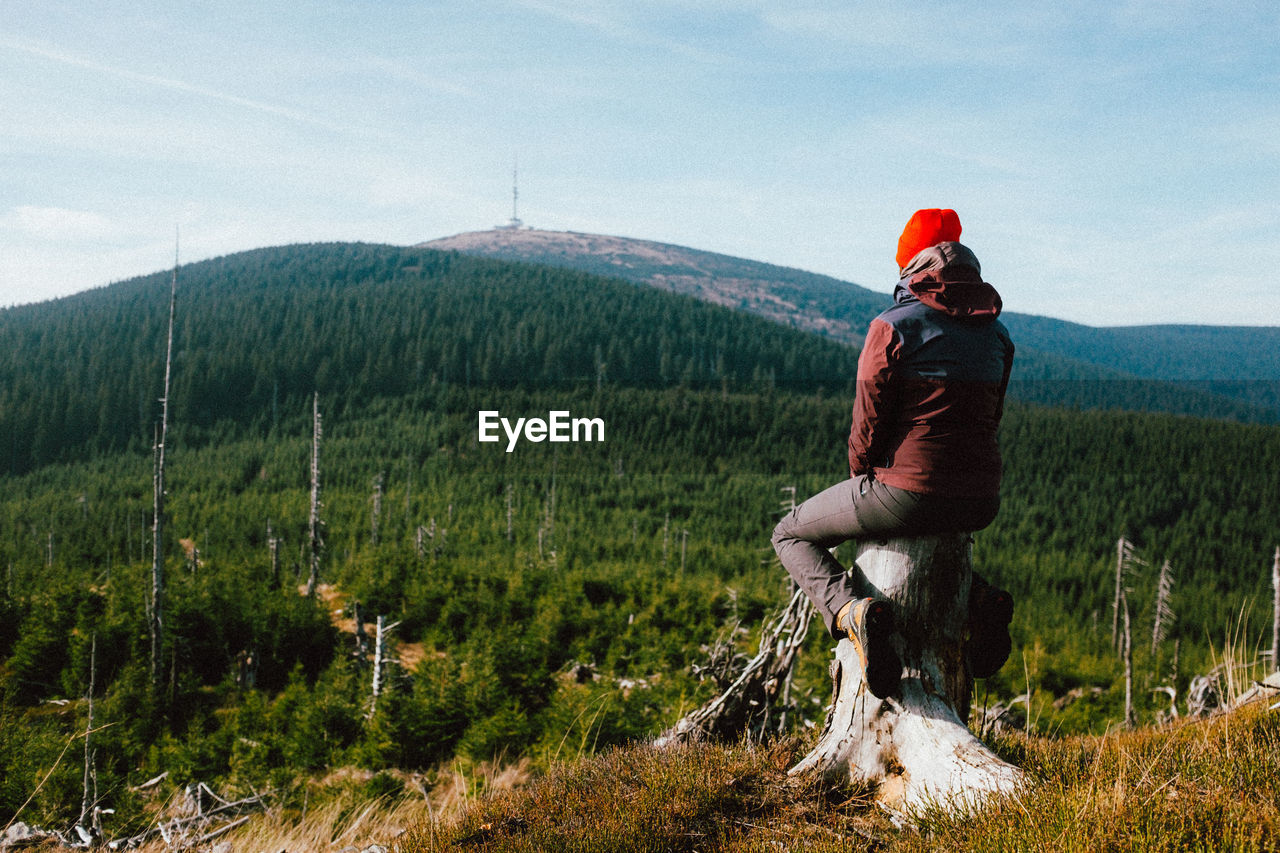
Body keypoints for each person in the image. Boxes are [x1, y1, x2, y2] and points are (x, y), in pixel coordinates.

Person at [771, 208, 1015, 699]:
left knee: (789, 533)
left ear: (909, 267)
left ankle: (850, 611)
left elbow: (868, 425)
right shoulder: (998, 334)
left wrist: (866, 476)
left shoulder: (893, 326)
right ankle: (980, 599)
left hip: (906, 489)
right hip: (980, 496)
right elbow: (991, 419)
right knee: (938, 529)